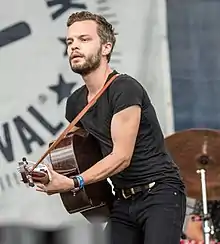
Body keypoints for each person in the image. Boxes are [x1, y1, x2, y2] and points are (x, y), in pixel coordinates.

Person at [35, 10, 186, 244]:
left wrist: (75, 182)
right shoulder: (75, 103)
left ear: (106, 47)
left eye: (84, 39)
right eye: (70, 41)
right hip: (122, 200)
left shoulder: (124, 88)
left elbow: (121, 157)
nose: (74, 46)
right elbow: (73, 152)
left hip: (160, 193)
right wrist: (46, 173)